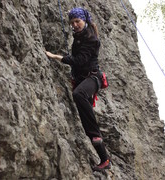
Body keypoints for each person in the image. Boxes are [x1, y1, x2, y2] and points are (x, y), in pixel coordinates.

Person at [45, 7, 110, 171]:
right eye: (72, 22)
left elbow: (79, 60)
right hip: (84, 79)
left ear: (85, 21)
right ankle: (104, 159)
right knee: (86, 122)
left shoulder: (92, 39)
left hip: (93, 78)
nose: (74, 25)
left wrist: (54, 56)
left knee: (78, 94)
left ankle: (101, 148)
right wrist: (72, 12)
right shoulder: (80, 36)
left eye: (77, 21)